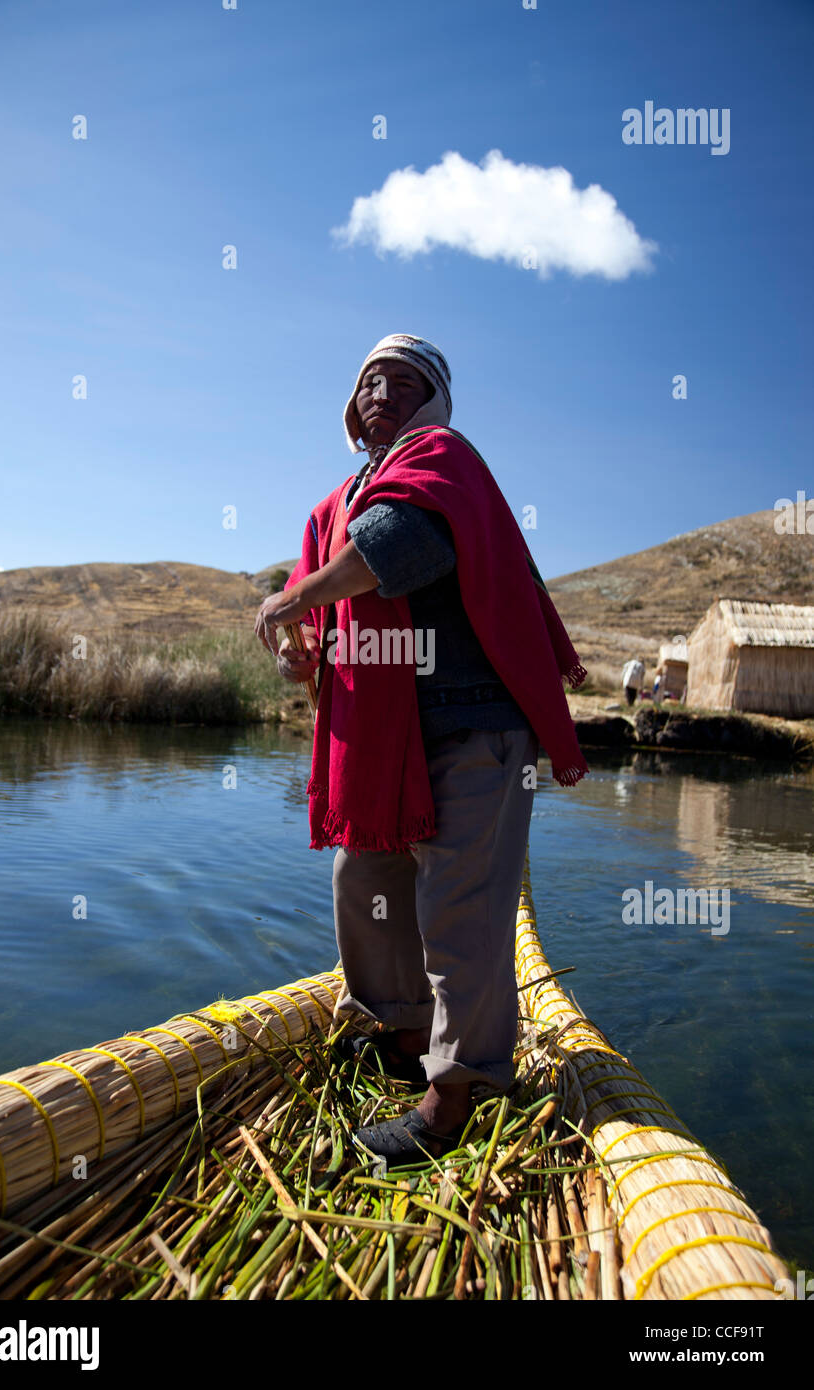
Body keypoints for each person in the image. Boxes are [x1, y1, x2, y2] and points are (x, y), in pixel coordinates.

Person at [254, 334, 588, 1164]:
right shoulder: (333, 505)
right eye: (371, 381)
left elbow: (398, 550)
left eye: (405, 383)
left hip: (471, 722)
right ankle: (402, 1037)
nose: (382, 394)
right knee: (364, 881)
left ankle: (457, 1092)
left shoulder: (439, 460)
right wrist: (302, 645)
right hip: (382, 739)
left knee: (460, 912)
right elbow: (333, 625)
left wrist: (288, 601)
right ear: (349, 403)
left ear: (433, 403)